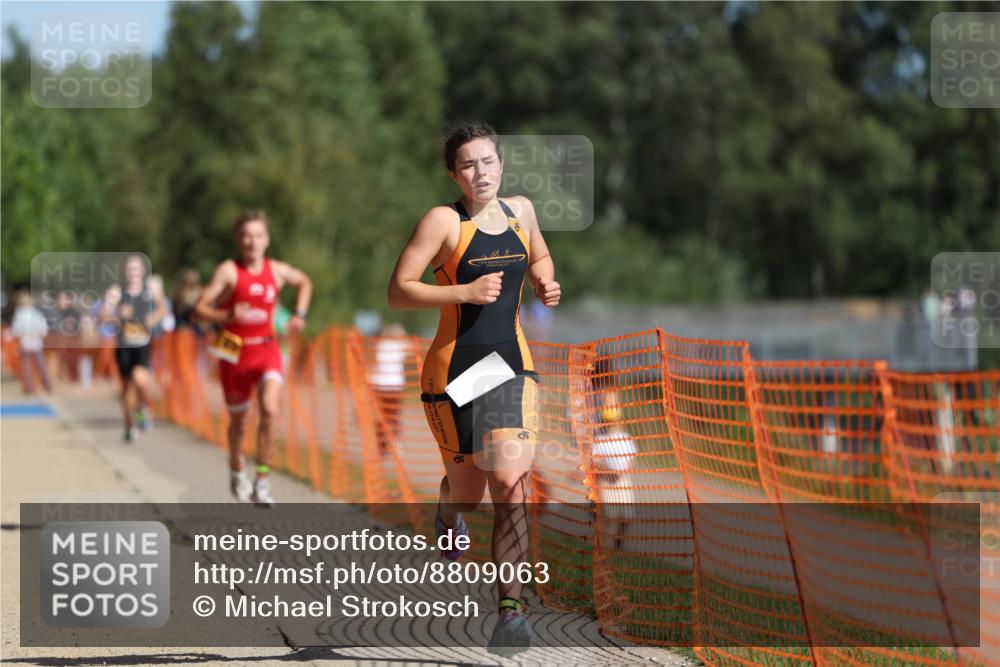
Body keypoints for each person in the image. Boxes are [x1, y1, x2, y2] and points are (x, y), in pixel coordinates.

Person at [387, 121, 561, 655]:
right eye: (468, 164)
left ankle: (510, 611)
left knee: (510, 481)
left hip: (509, 363)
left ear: (501, 165)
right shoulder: (443, 222)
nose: (480, 172)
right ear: (453, 173)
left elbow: (539, 255)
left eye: (487, 161)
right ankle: (447, 508)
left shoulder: (521, 211)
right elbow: (399, 292)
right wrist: (463, 289)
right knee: (469, 491)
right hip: (455, 369)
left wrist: (545, 280)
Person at [194, 209, 312, 508]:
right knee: (239, 424)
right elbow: (199, 309)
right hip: (233, 350)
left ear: (267, 239)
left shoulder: (276, 270)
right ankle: (236, 468)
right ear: (238, 240)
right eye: (246, 236)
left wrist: (299, 314)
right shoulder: (229, 271)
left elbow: (305, 282)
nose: (252, 242)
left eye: (258, 235)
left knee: (271, 410)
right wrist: (226, 314)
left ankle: (262, 481)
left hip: (266, 348)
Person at [103, 255, 168, 442]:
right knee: (125, 389)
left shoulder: (151, 289)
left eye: (136, 268)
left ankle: (142, 408)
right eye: (130, 268)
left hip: (143, 343)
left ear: (142, 271)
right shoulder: (116, 291)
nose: (133, 272)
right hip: (123, 345)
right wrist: (117, 315)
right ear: (125, 271)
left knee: (140, 380)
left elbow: (163, 309)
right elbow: (103, 315)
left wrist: (152, 319)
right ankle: (129, 425)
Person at [367, 323, 408, 457]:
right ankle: (390, 446)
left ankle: (384, 447)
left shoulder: (381, 345)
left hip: (383, 386)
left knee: (383, 418)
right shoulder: (397, 345)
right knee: (392, 418)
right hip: (391, 386)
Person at [11, 290, 52, 394]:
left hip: (26, 342)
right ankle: (47, 385)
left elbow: (17, 329)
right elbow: (44, 328)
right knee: (40, 365)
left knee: (27, 365)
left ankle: (29, 387)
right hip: (36, 342)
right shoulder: (36, 313)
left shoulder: (20, 314)